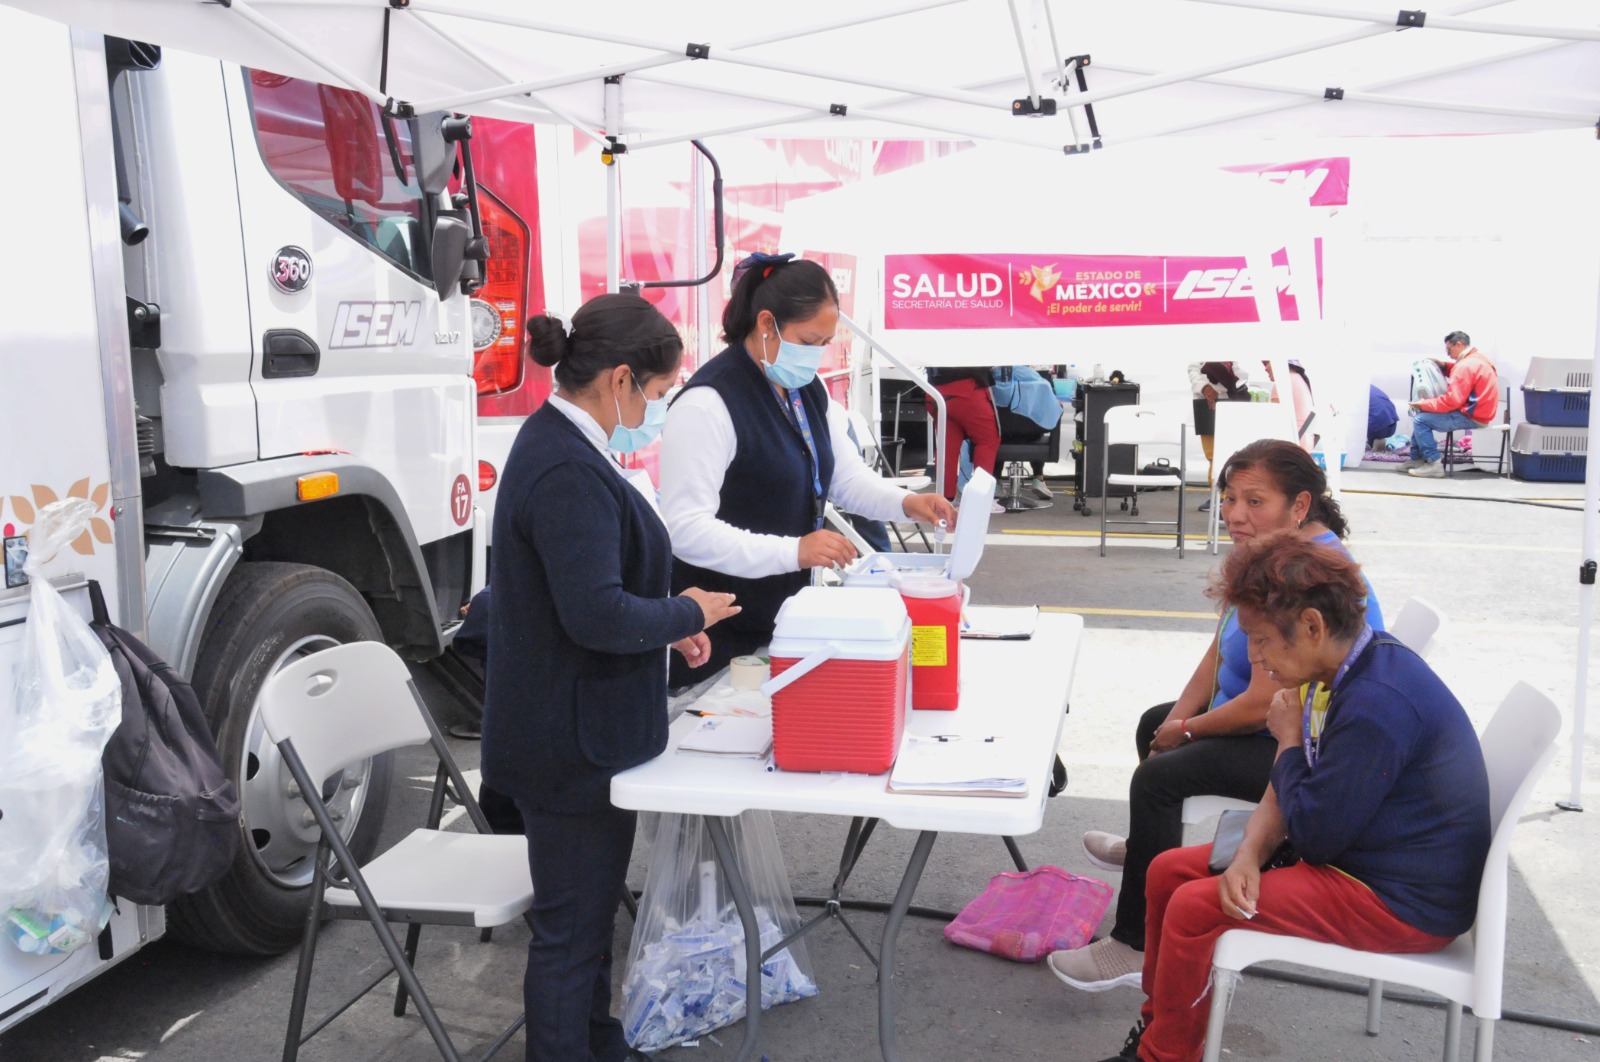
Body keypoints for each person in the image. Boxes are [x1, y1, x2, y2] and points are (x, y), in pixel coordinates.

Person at [1089, 532, 1490, 1062]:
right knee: (1166, 873)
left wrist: (1289, 743)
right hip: (1366, 858)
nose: (1254, 656)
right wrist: (1250, 855)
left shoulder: (1377, 707)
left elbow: (1316, 837)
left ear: (1311, 626)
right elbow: (1291, 794)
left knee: (1192, 907)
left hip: (1400, 901)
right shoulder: (1340, 669)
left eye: (1261, 641)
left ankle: (1163, 1057)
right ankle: (1162, 1027)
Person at [480, 293, 741, 1062]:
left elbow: (592, 594)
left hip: (579, 726)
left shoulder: (569, 446)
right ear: (621, 378)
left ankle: (597, 1042)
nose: (657, 411)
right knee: (571, 934)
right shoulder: (564, 465)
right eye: (658, 395)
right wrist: (684, 615)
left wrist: (663, 635)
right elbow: (595, 614)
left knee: (590, 922)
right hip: (567, 744)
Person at [1049, 439, 1385, 994]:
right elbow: (1216, 654)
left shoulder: (1307, 572)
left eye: (1255, 501)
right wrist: (1177, 719)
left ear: (1300, 507)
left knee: (1160, 776)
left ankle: (1134, 943)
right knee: (1152, 723)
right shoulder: (1269, 557)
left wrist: (1186, 731)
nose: (1235, 514)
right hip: (1269, 721)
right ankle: (1147, 854)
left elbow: (1263, 705)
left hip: (1302, 745)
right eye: (1230, 498)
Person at [659, 253, 955, 686]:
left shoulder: (803, 390)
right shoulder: (709, 404)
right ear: (766, 325)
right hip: (718, 634)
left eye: (825, 343)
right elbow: (685, 529)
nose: (817, 355)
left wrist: (907, 502)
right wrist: (793, 550)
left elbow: (842, 478)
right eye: (809, 341)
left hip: (779, 622)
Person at [1405, 330, 1500, 478]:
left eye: (1449, 349)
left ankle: (1433, 463)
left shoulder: (1465, 366)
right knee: (1423, 417)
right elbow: (1463, 376)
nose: (1448, 353)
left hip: (1471, 416)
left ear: (1459, 344)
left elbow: (1451, 401)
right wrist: (1443, 366)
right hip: (1480, 414)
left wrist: (1424, 404)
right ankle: (1417, 459)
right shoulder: (1478, 359)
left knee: (1420, 420)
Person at [926, 364, 1005, 509]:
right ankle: (982, 499)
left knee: (947, 446)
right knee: (987, 440)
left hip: (935, 390)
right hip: (967, 389)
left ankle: (946, 499)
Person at [1188, 362, 1252, 512]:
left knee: (1232, 453)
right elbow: (1193, 369)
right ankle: (1218, 495)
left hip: (1232, 401)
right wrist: (1205, 388)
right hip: (1205, 403)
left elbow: (1244, 374)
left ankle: (1228, 496)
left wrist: (1227, 385)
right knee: (1212, 455)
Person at [1263, 359, 1315, 453]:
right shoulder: (1298, 378)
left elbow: (1274, 421)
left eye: (1267, 363)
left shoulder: (1283, 382)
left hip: (1292, 447)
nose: (1265, 368)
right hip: (1304, 445)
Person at [1367, 384, 1399, 449]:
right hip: (1392, 425)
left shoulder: (1358, 390)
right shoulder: (1370, 387)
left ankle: (1372, 443)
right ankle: (1376, 442)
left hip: (1378, 427)